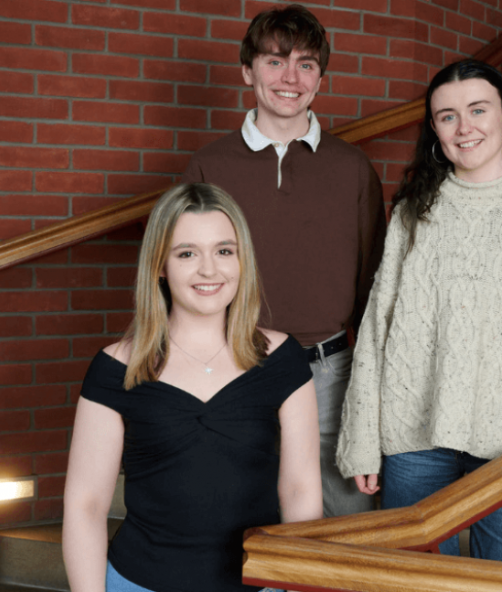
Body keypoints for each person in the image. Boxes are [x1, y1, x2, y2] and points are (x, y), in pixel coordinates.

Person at [335, 59, 502, 566]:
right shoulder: (413, 212)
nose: (464, 127)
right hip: (412, 439)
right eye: (447, 116)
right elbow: (377, 328)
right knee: (411, 583)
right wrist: (362, 436)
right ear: (434, 129)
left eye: (478, 110)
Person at [63, 183, 321, 592]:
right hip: (139, 582)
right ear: (160, 266)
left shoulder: (283, 358)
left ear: (242, 260)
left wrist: (298, 584)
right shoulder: (115, 368)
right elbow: (86, 506)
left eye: (224, 251)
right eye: (187, 253)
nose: (209, 270)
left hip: (262, 583)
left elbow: (299, 490)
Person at [181, 4, 386, 518]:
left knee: (344, 525)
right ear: (247, 71)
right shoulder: (209, 165)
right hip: (233, 364)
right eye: (275, 61)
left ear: (320, 79)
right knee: (237, 519)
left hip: (331, 373)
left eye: (306, 64)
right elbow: (183, 279)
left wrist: (371, 393)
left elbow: (374, 285)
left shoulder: (353, 168)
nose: (290, 78)